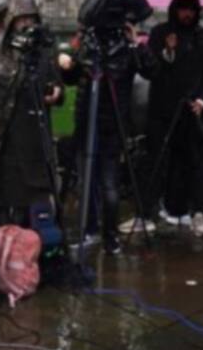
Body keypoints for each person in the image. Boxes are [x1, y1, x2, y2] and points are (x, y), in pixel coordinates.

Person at [0, 0, 64, 241]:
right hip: (7, 135)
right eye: (22, 19)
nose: (27, 24)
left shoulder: (43, 50)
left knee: (38, 195)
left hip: (35, 133)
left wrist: (56, 90)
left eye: (31, 18)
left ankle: (41, 244)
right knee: (6, 196)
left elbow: (55, 81)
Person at [61, 19, 151, 254]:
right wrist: (68, 65)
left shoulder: (124, 51)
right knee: (87, 179)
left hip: (111, 123)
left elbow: (150, 69)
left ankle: (107, 235)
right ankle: (92, 231)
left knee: (108, 182)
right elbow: (71, 78)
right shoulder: (90, 45)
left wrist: (135, 44)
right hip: (87, 120)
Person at [145, 0, 203, 237]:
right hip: (163, 109)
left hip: (193, 110)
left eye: (190, 10)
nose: (186, 14)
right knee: (159, 159)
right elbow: (152, 69)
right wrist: (168, 52)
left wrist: (202, 100)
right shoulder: (159, 33)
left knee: (195, 161)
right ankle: (150, 211)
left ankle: (196, 211)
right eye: (182, 9)